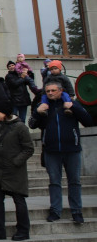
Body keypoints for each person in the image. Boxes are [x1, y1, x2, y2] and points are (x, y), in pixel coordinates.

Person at [30, 81, 93, 224]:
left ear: (60, 90)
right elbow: (32, 124)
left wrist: (74, 107)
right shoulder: (43, 106)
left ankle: (76, 211)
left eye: (53, 90)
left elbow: (88, 121)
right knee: (54, 182)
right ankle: (55, 211)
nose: (50, 93)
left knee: (75, 182)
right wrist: (39, 113)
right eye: (48, 91)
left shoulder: (71, 104)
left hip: (72, 150)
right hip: (51, 151)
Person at [0, 100, 34, 241]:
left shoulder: (20, 127)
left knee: (19, 200)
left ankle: (23, 230)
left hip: (15, 170)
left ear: (5, 112)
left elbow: (29, 148)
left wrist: (16, 161)